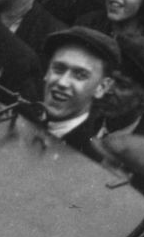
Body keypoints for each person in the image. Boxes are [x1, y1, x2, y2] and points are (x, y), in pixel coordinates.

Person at [38, 26, 116, 155]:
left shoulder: (90, 155)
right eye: (58, 69)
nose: (62, 82)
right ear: (47, 71)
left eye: (80, 75)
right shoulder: (20, 115)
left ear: (101, 87)